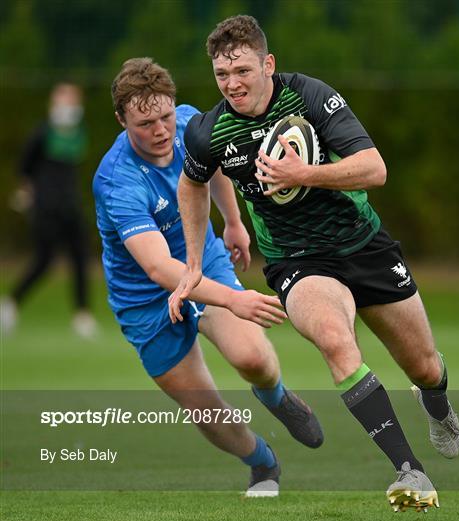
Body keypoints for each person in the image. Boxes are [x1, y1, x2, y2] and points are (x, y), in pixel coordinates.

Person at [170, 15, 459, 511]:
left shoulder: (309, 96)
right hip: (297, 261)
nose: (232, 84)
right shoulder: (209, 131)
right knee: (334, 339)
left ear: (268, 64)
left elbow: (375, 169)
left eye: (242, 70)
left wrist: (303, 173)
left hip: (364, 246)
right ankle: (409, 470)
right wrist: (194, 262)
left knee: (424, 366)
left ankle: (435, 401)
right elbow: (191, 185)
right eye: (222, 75)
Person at [92, 58, 324, 497]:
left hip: (203, 259)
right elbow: (160, 269)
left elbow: (212, 166)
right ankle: (263, 463)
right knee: (204, 410)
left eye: (165, 116)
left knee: (252, 357)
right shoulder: (116, 182)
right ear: (122, 120)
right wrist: (234, 300)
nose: (161, 130)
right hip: (145, 298)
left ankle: (276, 397)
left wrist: (232, 221)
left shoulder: (189, 124)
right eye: (145, 123)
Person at [1, 82, 97, 338]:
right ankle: (11, 304)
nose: (70, 106)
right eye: (65, 101)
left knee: (80, 258)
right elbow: (25, 168)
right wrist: (27, 193)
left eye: (73, 101)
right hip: (45, 207)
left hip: (71, 205)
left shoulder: (78, 133)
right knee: (44, 261)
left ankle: (82, 314)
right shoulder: (42, 133)